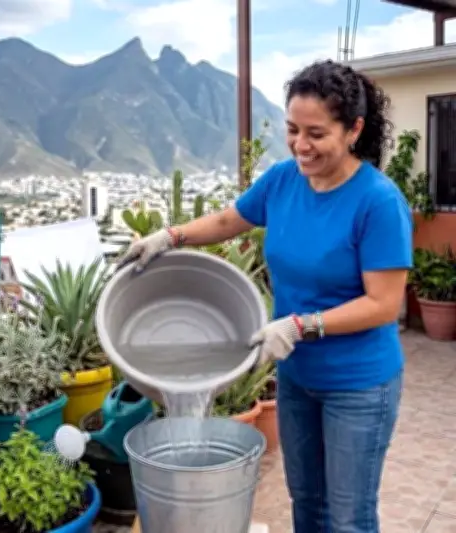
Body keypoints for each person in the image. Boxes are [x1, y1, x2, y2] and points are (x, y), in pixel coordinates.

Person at [119, 59, 411, 533]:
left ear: (354, 129)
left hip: (359, 386)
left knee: (349, 517)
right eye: (293, 129)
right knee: (308, 504)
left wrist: (301, 325)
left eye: (316, 133)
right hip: (297, 377)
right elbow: (228, 221)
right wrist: (167, 237)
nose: (301, 144)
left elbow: (382, 304)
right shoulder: (282, 180)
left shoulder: (377, 202)